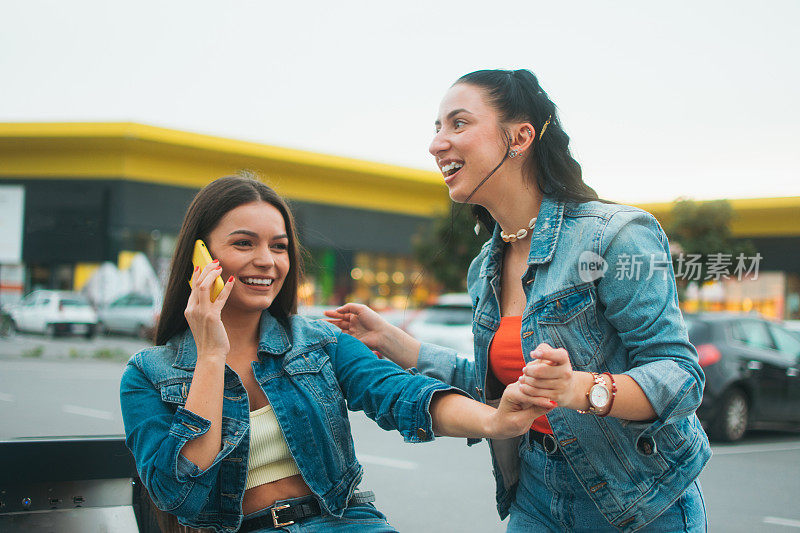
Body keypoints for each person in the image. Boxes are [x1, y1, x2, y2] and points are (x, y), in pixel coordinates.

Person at [325, 69, 711, 532]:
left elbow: (681, 376)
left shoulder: (613, 236)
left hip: (640, 502)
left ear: (520, 136)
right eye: (436, 128)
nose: (437, 144)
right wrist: (390, 340)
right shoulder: (484, 267)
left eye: (458, 123)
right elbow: (497, 385)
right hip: (535, 497)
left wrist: (578, 389)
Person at [119, 175, 554, 533]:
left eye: (279, 246)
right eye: (243, 244)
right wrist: (211, 355)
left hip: (344, 523)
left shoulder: (318, 342)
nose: (267, 261)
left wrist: (494, 421)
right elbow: (181, 493)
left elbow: (401, 394)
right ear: (202, 258)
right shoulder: (148, 374)